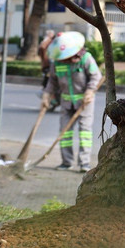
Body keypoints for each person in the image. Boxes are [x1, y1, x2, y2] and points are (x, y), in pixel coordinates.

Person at [40, 31, 102, 172]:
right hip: (66, 102)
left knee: (84, 133)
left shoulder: (86, 58)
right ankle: (66, 162)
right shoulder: (57, 61)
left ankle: (84, 163)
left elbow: (96, 76)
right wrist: (46, 95)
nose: (68, 60)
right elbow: (52, 81)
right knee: (65, 133)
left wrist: (89, 91)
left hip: (84, 103)